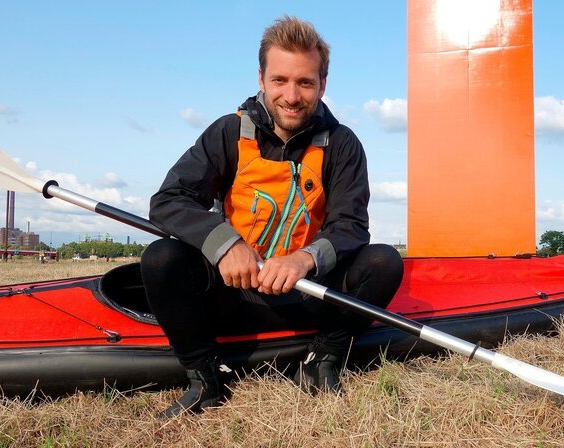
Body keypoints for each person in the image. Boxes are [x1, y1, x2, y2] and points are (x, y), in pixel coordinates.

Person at [141, 15, 404, 418]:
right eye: (280, 80)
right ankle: (205, 379)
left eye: (305, 83)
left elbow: (351, 225)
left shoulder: (343, 144)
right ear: (261, 78)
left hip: (307, 292)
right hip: (233, 290)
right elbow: (169, 200)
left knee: (384, 261)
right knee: (160, 258)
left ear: (322, 85)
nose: (292, 96)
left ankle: (324, 357)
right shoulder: (227, 133)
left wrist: (304, 260)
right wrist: (225, 245)